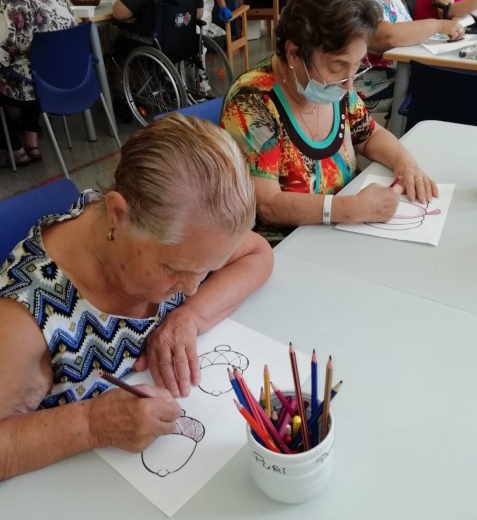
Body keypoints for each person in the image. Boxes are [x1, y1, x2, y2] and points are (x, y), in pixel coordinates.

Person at [0, 113, 273, 480]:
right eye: (175, 268)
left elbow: (258, 254)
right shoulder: (23, 317)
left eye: (206, 270)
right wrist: (91, 424)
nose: (192, 287)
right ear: (117, 214)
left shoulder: (192, 234)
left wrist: (188, 318)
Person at [222, 0, 438, 246]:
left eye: (356, 65)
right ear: (294, 53)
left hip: (344, 236)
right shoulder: (252, 101)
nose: (349, 83)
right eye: (338, 66)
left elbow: (368, 134)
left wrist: (405, 163)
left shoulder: (337, 85)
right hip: (286, 249)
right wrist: (351, 208)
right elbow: (269, 205)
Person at [357, 0, 466, 116]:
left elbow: (406, 30)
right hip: (374, 82)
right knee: (445, 94)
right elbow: (387, 36)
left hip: (402, 74)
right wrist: (438, 25)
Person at [0, 0, 76, 167]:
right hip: (72, 76)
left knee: (22, 68)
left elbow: (6, 54)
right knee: (31, 63)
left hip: (38, 86)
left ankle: (15, 151)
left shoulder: (12, 5)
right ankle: (31, 141)